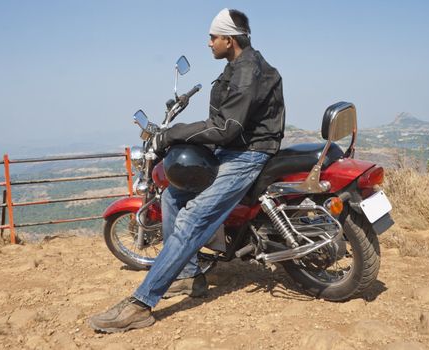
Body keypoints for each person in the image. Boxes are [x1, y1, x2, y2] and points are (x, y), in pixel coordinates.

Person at [89, 8, 285, 333]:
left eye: (213, 37)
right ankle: (188, 276)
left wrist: (173, 133)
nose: (208, 43)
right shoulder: (238, 67)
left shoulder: (248, 71)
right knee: (172, 197)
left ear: (229, 39)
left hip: (249, 155)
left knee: (192, 220)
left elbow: (227, 127)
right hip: (236, 149)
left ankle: (141, 305)